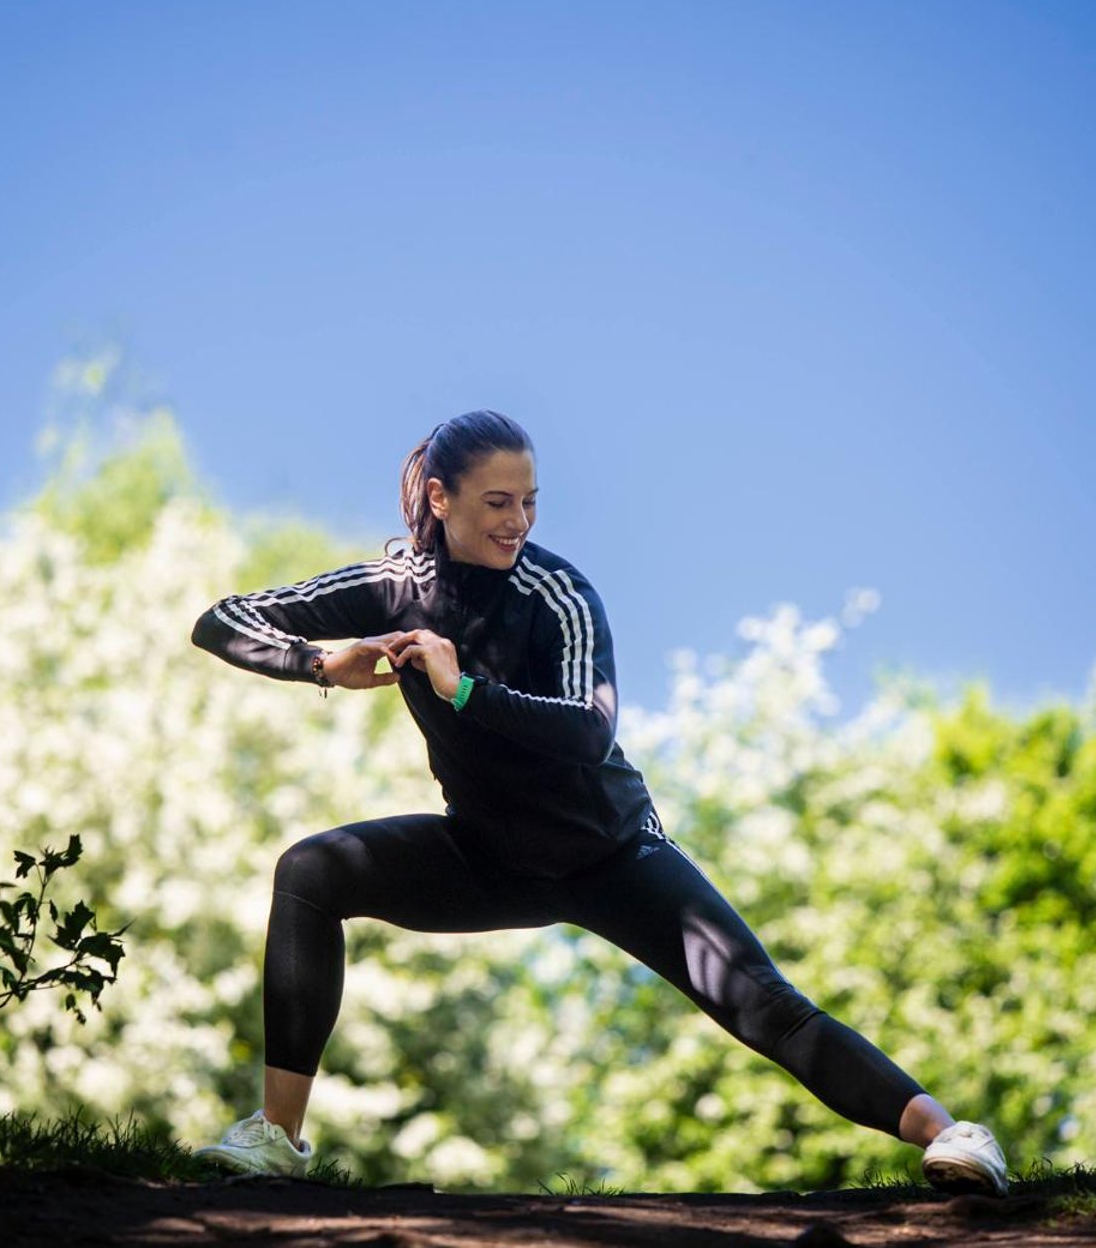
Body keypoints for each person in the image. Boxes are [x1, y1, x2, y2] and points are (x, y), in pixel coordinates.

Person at [188, 410, 1010, 1196]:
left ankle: (951, 1135)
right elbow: (220, 620)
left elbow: (589, 728)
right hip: (488, 859)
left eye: (531, 502)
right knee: (310, 871)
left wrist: (464, 688)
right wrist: (321, 665)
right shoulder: (395, 583)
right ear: (440, 499)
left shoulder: (559, 593)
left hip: (614, 856)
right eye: (498, 502)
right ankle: (276, 1137)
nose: (519, 522)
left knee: (768, 1007)